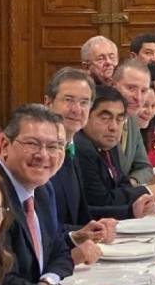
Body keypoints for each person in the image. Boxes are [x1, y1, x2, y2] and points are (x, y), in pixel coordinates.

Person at [0, 105, 77, 285]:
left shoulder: (42, 188)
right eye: (32, 144)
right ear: (5, 145)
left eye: (55, 146)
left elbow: (60, 248)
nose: (44, 155)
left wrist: (49, 281)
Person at [41, 67, 122, 243]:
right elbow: (42, 227)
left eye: (84, 102)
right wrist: (79, 234)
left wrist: (129, 211)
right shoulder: (41, 155)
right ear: (48, 103)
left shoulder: (72, 146)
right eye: (68, 100)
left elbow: (79, 213)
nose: (77, 109)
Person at [77, 86, 155, 218]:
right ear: (85, 116)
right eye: (105, 118)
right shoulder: (82, 149)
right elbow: (102, 201)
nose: (114, 127)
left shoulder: (109, 144)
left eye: (119, 119)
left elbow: (122, 183)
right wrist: (147, 190)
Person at [112, 60, 155, 187]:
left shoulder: (131, 120)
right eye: (131, 88)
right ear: (113, 86)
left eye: (143, 91)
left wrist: (132, 183)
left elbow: (145, 168)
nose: (138, 97)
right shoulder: (99, 124)